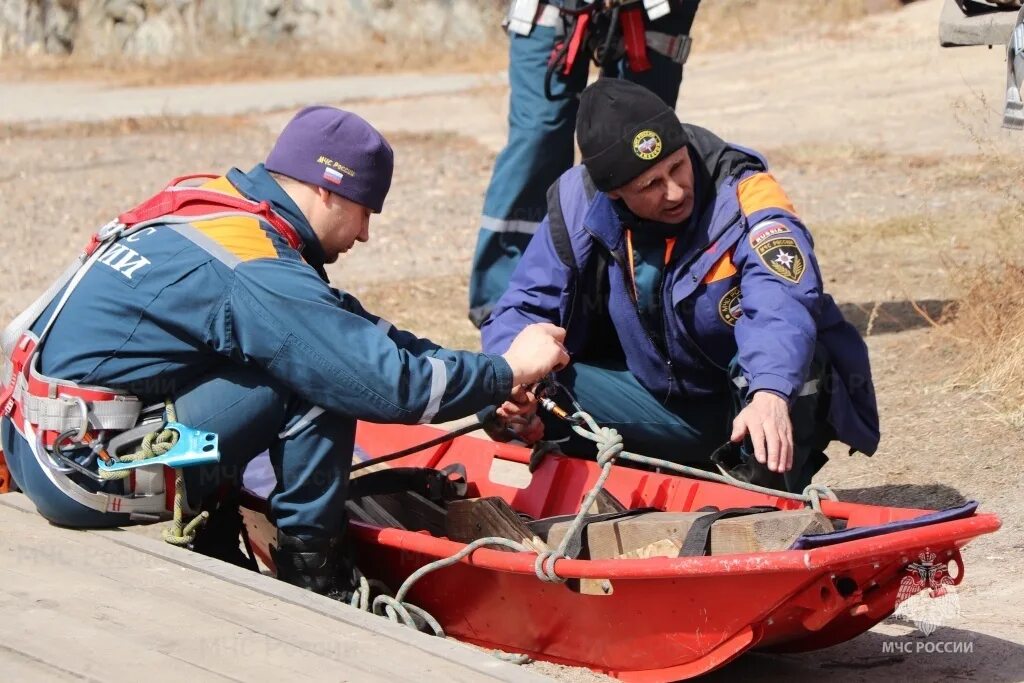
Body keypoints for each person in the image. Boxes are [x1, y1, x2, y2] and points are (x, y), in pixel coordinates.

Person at [0, 106, 569, 593]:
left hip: (36, 443)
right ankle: (317, 581)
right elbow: (377, 382)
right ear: (327, 190)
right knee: (320, 381)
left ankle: (216, 533)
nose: (366, 234)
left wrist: (486, 374)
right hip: (88, 473)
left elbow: (346, 327)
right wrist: (509, 369)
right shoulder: (256, 270)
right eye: (366, 210)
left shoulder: (211, 206)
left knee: (305, 354)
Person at [481, 79, 880, 492]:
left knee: (801, 355)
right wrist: (514, 382)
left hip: (750, 403)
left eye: (677, 166)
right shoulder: (576, 203)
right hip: (659, 401)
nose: (673, 192)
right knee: (502, 378)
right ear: (615, 195)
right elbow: (523, 307)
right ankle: (616, 486)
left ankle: (766, 500)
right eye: (650, 185)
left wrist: (771, 393)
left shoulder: (746, 192)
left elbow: (781, 301)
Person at [468, 0, 702, 327]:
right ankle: (506, 310)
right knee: (538, 136)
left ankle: (637, 298)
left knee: (643, 148)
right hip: (553, 7)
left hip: (651, 9)